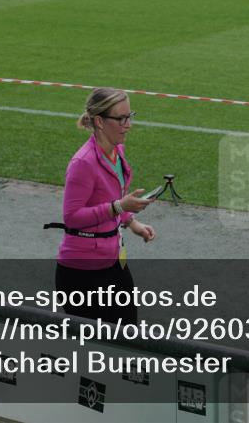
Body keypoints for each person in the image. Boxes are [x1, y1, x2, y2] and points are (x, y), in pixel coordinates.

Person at [51, 87, 156, 324]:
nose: (128, 124)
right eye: (121, 118)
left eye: (130, 116)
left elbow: (111, 195)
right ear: (99, 121)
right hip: (82, 272)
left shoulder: (117, 151)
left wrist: (131, 222)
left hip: (113, 261)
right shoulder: (83, 163)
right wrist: (119, 207)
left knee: (128, 333)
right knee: (96, 351)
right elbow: (72, 217)